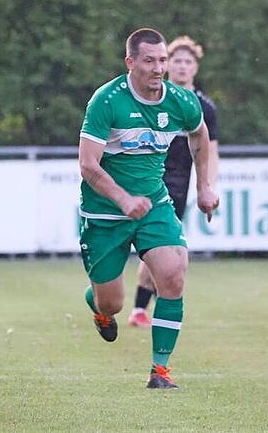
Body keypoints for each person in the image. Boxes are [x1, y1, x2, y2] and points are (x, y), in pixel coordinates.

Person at [77, 28, 219, 389]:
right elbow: (88, 165)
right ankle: (99, 306)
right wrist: (123, 199)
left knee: (173, 272)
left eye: (162, 61)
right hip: (106, 211)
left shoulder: (181, 101)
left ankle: (160, 370)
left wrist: (204, 186)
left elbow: (199, 134)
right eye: (149, 61)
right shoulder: (107, 101)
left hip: (154, 203)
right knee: (113, 304)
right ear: (131, 62)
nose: (158, 69)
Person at [128, 36, 219, 328]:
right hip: (149, 179)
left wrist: (207, 186)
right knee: (156, 245)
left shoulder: (204, 107)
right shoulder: (153, 98)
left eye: (187, 61)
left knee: (162, 246)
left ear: (195, 67)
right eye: (176, 60)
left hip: (179, 183)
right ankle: (141, 308)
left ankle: (143, 308)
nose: (181, 66)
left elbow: (209, 151)